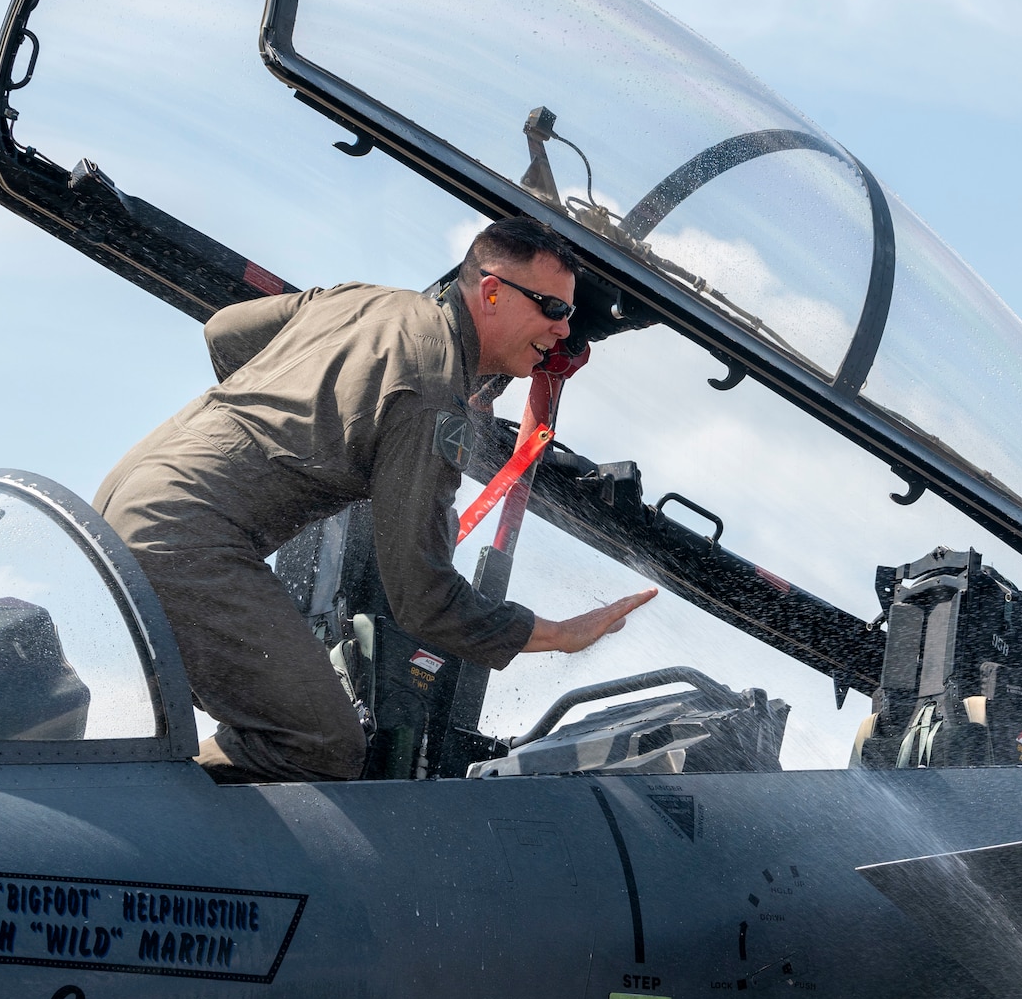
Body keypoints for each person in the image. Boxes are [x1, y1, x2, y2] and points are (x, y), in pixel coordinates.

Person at [95, 218, 656, 783]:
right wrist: (561, 635)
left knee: (274, 712)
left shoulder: (365, 301)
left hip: (126, 493)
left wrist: (286, 413)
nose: (563, 332)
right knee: (318, 745)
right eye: (554, 310)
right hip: (184, 539)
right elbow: (423, 597)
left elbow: (226, 331)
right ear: (492, 292)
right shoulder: (432, 397)